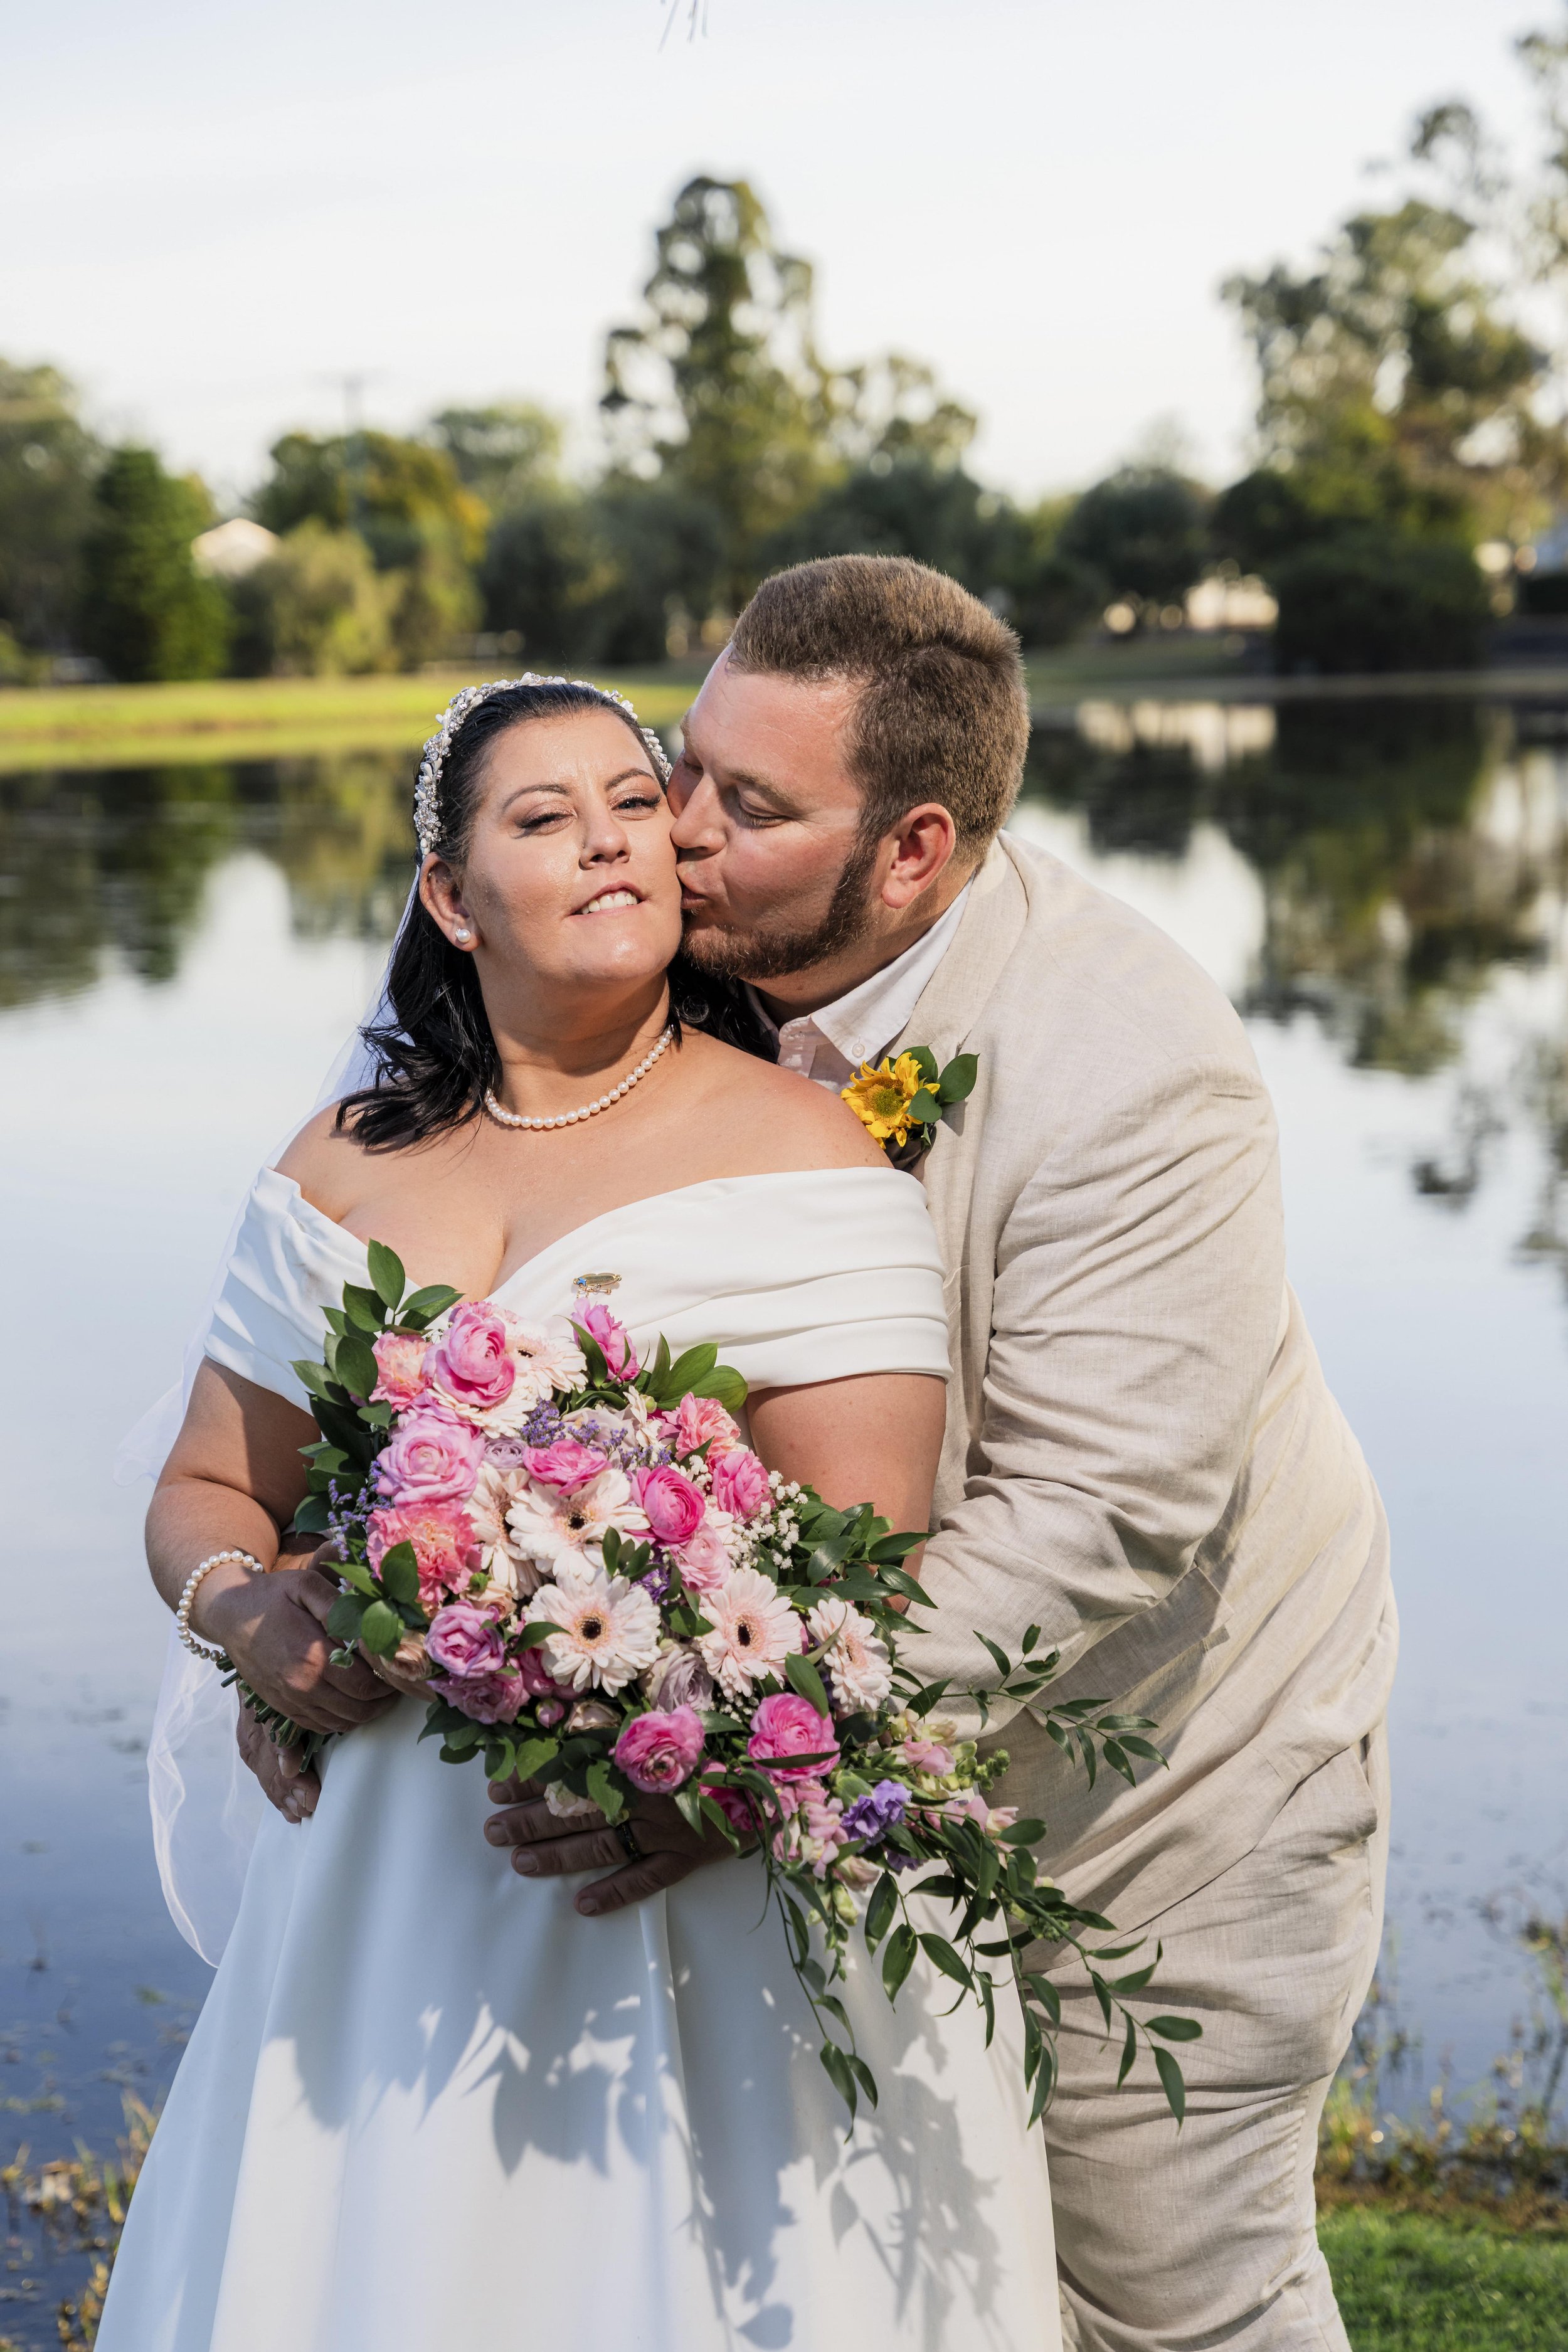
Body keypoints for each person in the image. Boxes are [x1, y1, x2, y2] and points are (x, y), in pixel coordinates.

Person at [487, 559, 1397, 2352]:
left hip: (1170, 1788)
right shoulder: (680, 986)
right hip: (864, 1784)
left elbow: (1096, 1515)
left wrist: (749, 1739)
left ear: (911, 848)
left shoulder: (1128, 1064)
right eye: (687, 763)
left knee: (1165, 2301)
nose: (673, 831)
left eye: (748, 807)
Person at [97, 676, 1062, 2351]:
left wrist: (718, 1780)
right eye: (541, 817)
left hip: (676, 1861)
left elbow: (870, 1569)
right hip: (383, 1880)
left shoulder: (807, 1153)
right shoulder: (339, 1167)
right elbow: (205, 1488)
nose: (611, 837)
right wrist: (250, 1612)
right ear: (452, 898)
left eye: (636, 800)